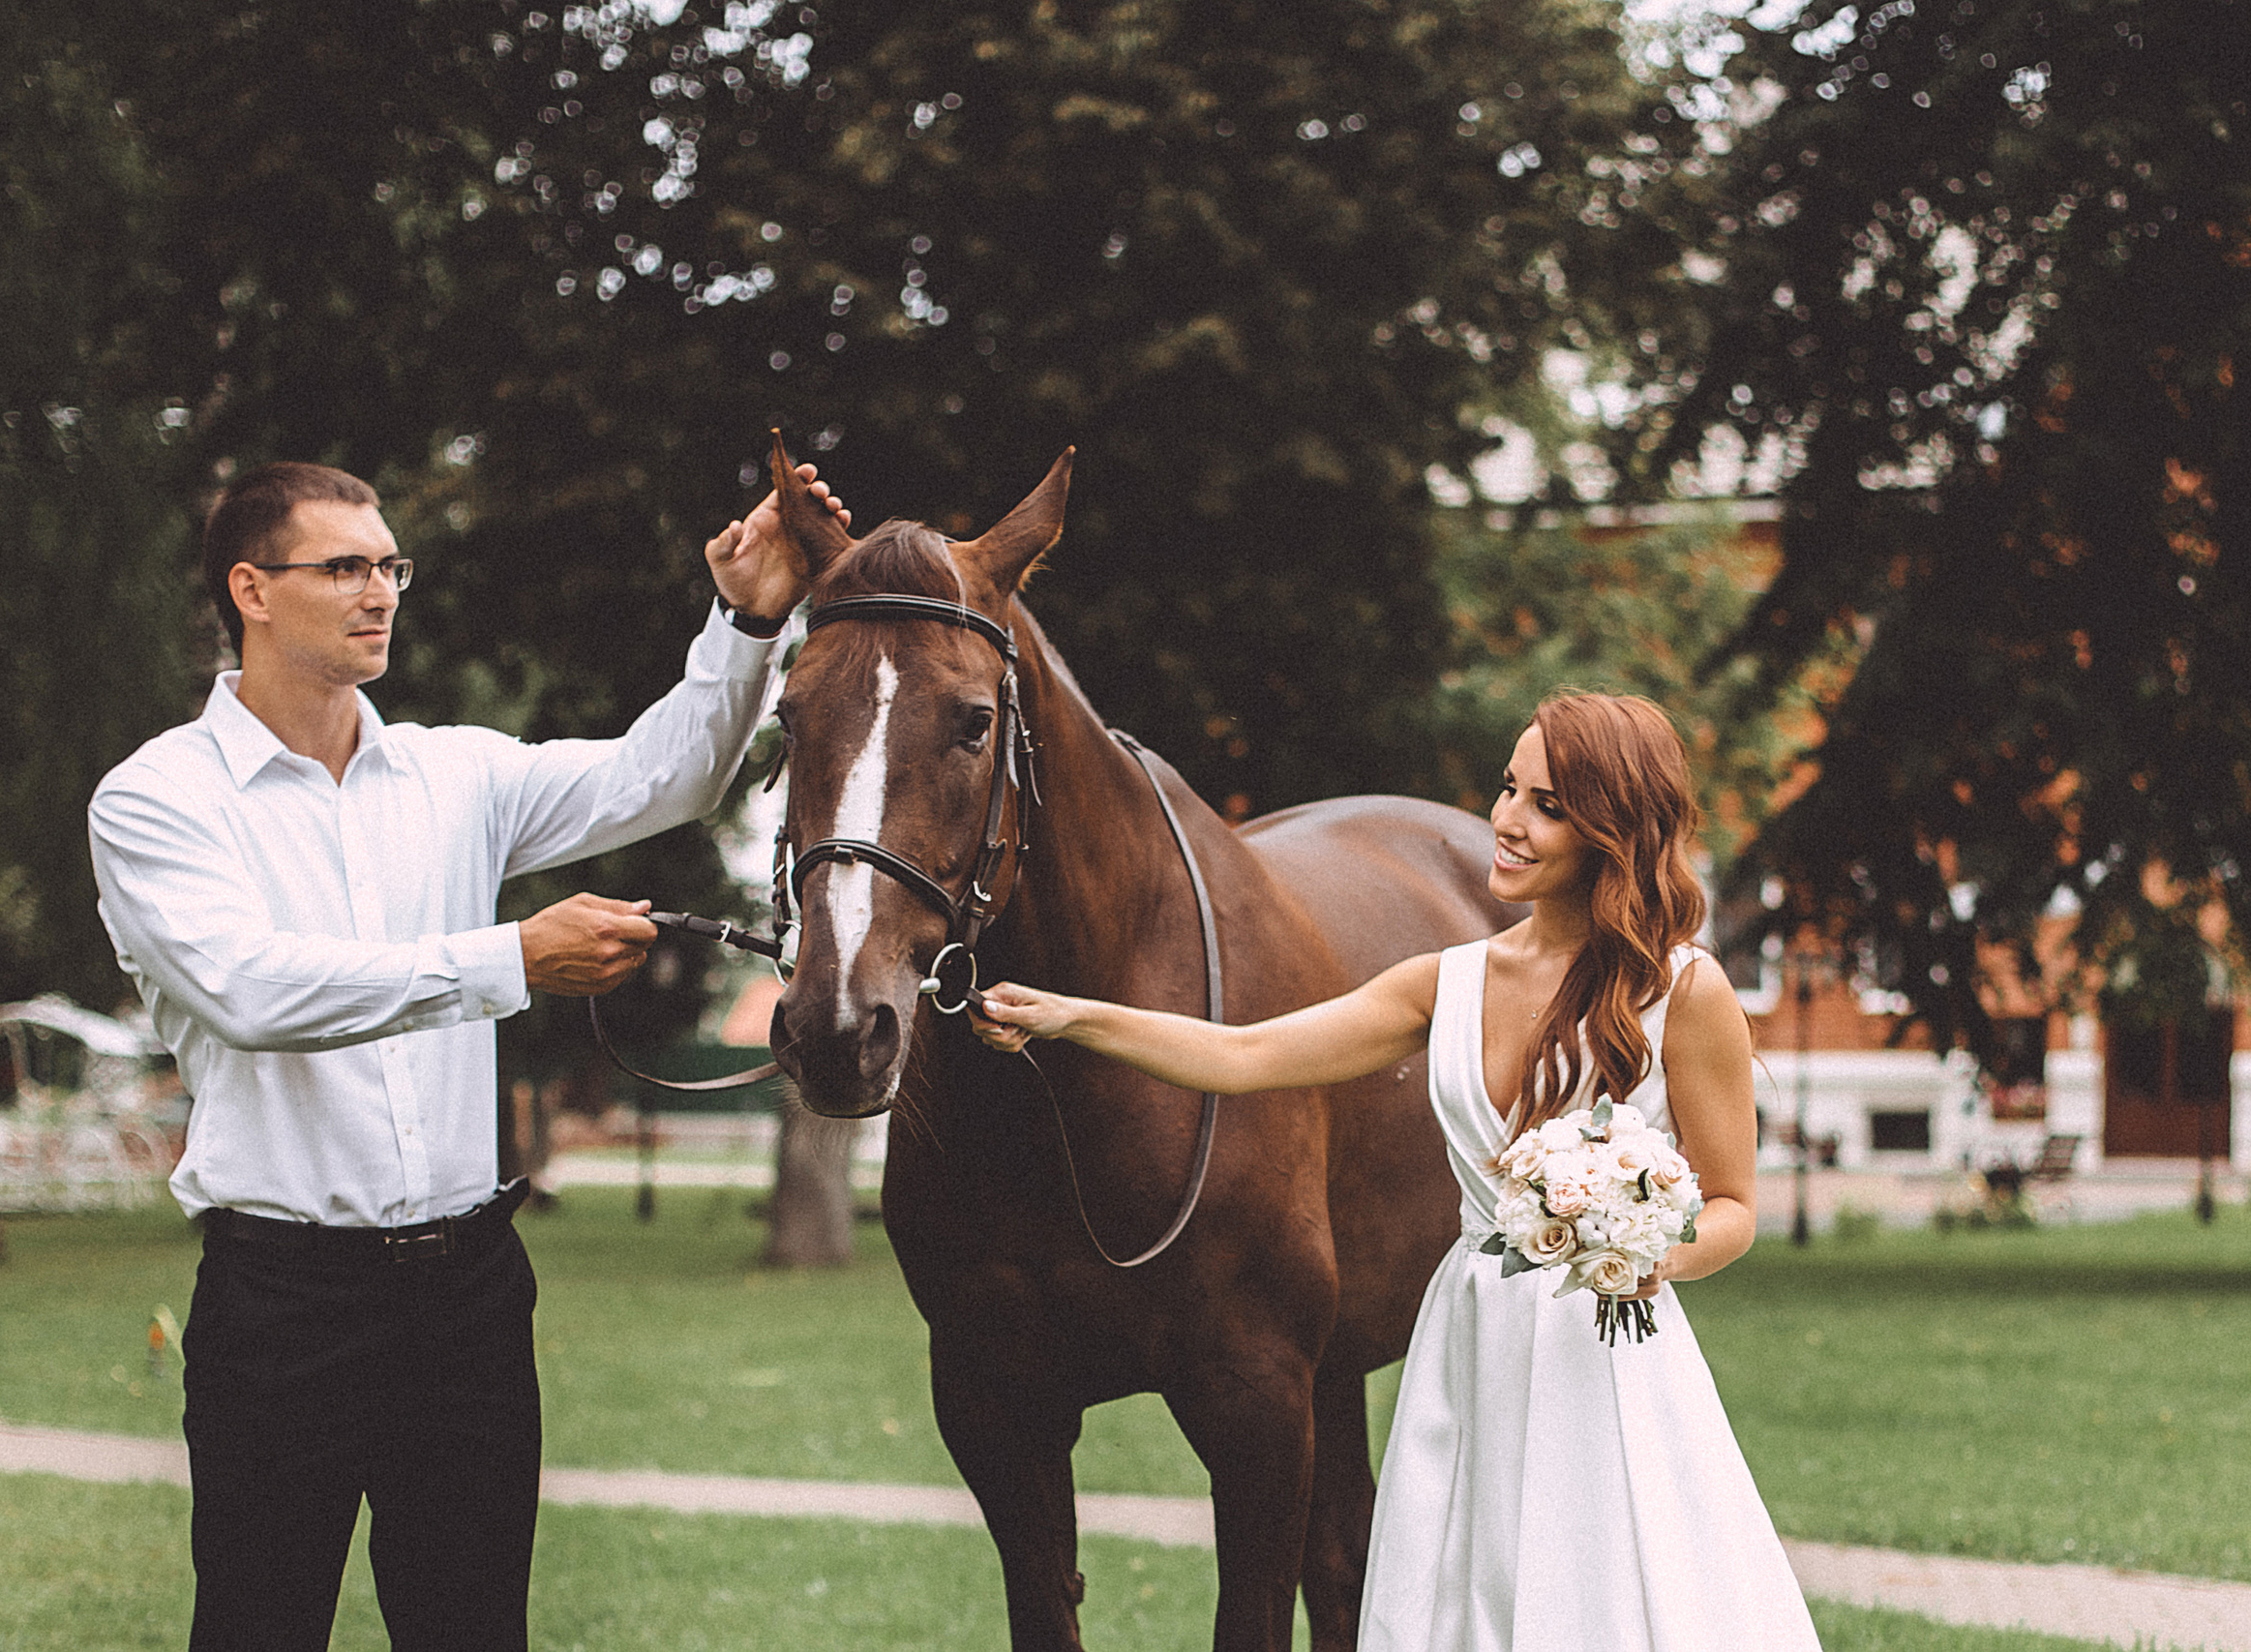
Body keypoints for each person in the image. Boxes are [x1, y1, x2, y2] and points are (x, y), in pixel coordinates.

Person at [88, 457, 846, 1651]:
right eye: (343, 566)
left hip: (469, 1295)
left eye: (390, 565)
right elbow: (249, 988)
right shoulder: (155, 800)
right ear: (251, 588)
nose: (380, 589)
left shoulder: (457, 774)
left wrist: (748, 617)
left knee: (473, 1629)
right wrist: (510, 961)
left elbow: (668, 777)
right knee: (256, 1626)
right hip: (284, 1298)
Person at [972, 692, 1822, 1651]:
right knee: (1460, 1594)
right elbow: (1244, 1056)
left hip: (1606, 1350)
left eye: (1545, 805)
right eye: (1509, 788)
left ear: (1611, 829)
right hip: (1470, 1335)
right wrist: (1072, 1017)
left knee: (1606, 1591)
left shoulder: (1683, 992)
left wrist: (1646, 1248)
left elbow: (1733, 1208)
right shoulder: (1443, 983)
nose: (1506, 822)